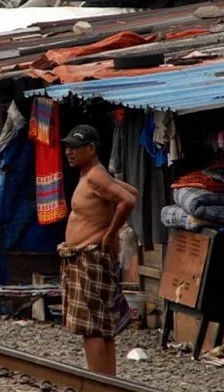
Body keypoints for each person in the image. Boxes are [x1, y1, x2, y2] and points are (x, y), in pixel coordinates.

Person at [58, 124, 138, 376]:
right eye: (67, 147)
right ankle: (107, 382)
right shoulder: (94, 174)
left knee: (91, 326)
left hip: (89, 256)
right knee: (102, 325)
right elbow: (131, 191)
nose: (69, 152)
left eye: (75, 148)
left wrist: (110, 233)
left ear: (91, 148)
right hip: (88, 257)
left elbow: (129, 200)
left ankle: (97, 383)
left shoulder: (94, 175)